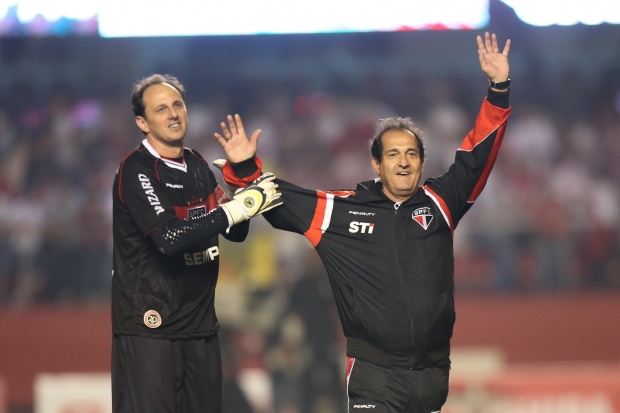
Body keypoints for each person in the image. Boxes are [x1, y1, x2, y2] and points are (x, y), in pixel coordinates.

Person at [213, 32, 511, 413]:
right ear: (376, 163)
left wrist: (498, 90)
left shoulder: (441, 203)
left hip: (433, 375)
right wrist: (243, 168)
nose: (403, 162)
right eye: (393, 154)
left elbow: (477, 157)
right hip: (375, 377)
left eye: (411, 154)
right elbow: (278, 197)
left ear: (422, 162)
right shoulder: (340, 210)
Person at [111, 74, 282, 413]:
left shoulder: (198, 165)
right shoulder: (136, 170)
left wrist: (242, 175)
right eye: (161, 109)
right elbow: (168, 238)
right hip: (150, 330)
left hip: (201, 327)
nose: (173, 114)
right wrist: (238, 207)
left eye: (178, 105)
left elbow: (236, 232)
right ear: (142, 122)